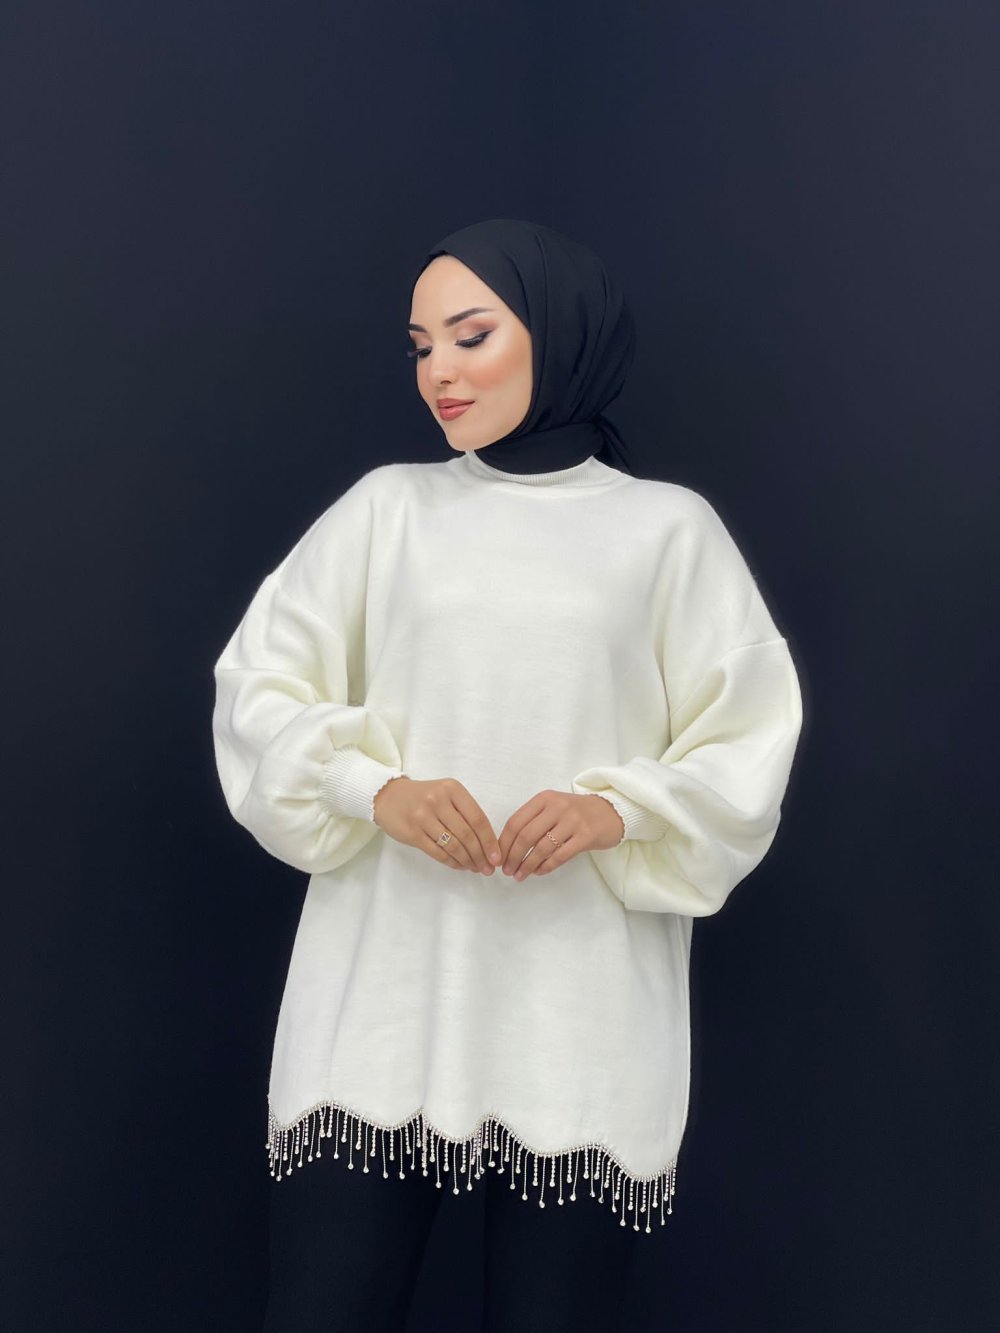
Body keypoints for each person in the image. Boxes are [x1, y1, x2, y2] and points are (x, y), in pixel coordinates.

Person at [211, 218, 804, 1331]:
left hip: (574, 1003)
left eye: (470, 335)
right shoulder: (388, 509)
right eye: (420, 345)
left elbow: (748, 741)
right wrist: (372, 789)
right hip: (385, 991)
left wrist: (615, 810)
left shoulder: (666, 532)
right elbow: (257, 688)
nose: (437, 371)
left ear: (559, 333)